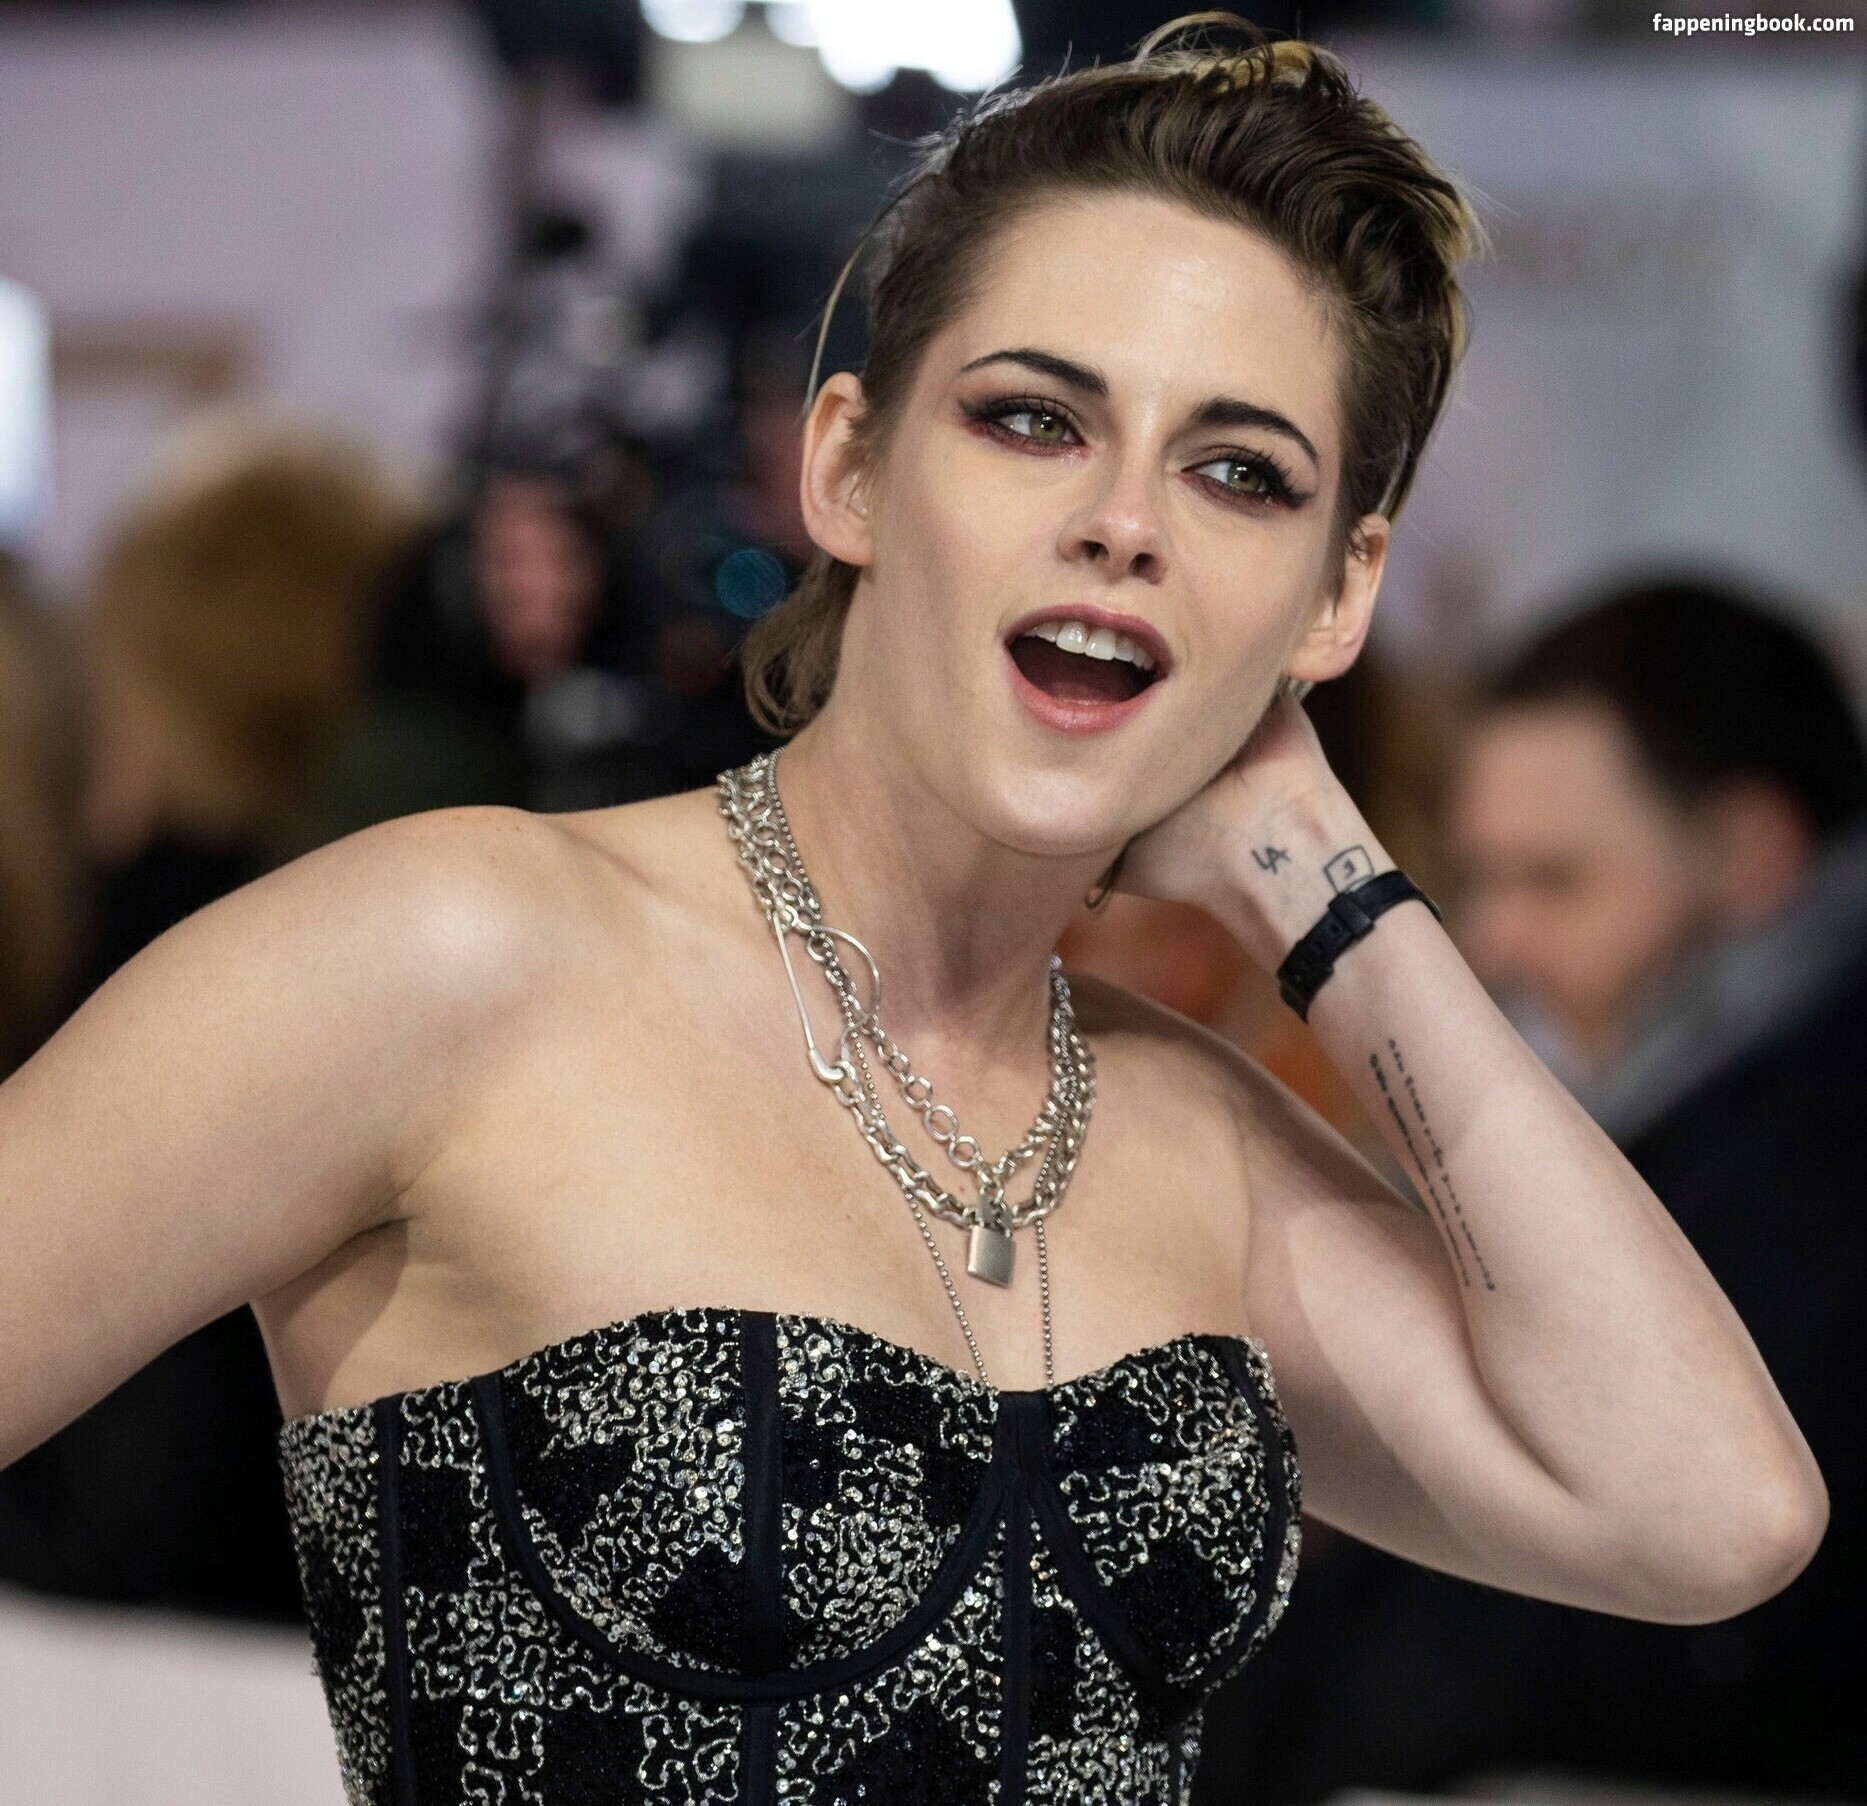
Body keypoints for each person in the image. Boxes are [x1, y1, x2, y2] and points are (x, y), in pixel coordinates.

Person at [0, 20, 1826, 1805]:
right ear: (851, 467)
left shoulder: (1201, 1139)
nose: (1124, 522)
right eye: (1034, 419)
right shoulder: (456, 953)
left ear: (1338, 592)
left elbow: (1711, 1512)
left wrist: (1320, 870)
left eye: (1239, 472)